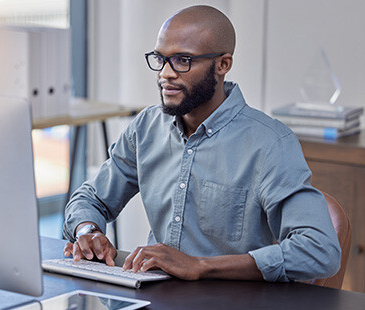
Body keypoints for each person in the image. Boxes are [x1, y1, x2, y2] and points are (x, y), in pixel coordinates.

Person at [62, 5, 341, 282]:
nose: (165, 74)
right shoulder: (146, 128)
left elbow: (319, 250)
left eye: (183, 60)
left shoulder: (270, 144)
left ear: (223, 65)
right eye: (161, 59)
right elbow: (91, 198)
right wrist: (88, 232)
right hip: (156, 295)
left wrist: (201, 265)